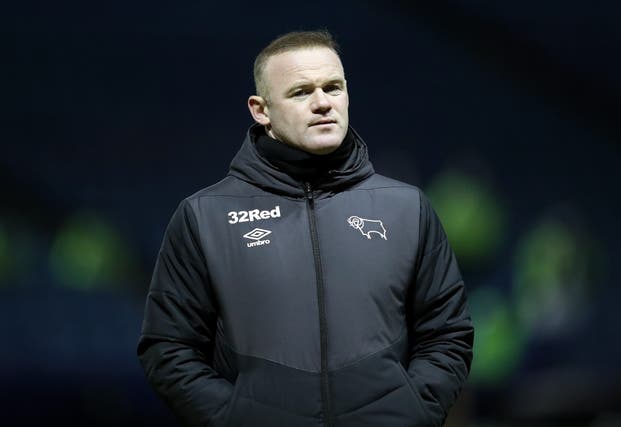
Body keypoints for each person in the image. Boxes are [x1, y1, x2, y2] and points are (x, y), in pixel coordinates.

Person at [137, 30, 474, 427]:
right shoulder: (203, 216)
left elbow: (448, 334)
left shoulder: (407, 208)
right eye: (300, 92)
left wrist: (410, 413)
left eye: (333, 87)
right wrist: (236, 419)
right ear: (261, 110)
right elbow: (168, 348)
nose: (322, 103)